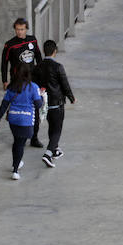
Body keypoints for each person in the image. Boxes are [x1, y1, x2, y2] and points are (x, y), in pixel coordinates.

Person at [0, 64, 44, 180]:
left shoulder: (12, 87)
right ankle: (15, 170)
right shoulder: (33, 87)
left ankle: (16, 163)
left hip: (13, 119)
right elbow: (38, 105)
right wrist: (41, 97)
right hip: (26, 119)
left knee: (17, 141)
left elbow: (4, 105)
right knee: (21, 144)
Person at [32, 40, 76, 168]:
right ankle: (48, 153)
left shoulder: (37, 67)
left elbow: (34, 85)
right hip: (57, 103)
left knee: (52, 126)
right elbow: (65, 84)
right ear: (55, 51)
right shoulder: (58, 67)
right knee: (57, 130)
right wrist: (71, 98)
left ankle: (55, 149)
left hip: (43, 104)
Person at [0, 18, 43, 147]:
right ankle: (19, 137)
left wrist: (41, 77)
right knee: (17, 108)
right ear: (15, 29)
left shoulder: (32, 40)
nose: (20, 32)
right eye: (18, 29)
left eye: (22, 29)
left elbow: (39, 57)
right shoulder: (10, 44)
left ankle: (34, 137)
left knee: (34, 109)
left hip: (32, 80)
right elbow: (4, 63)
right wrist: (5, 80)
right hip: (16, 81)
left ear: (26, 29)